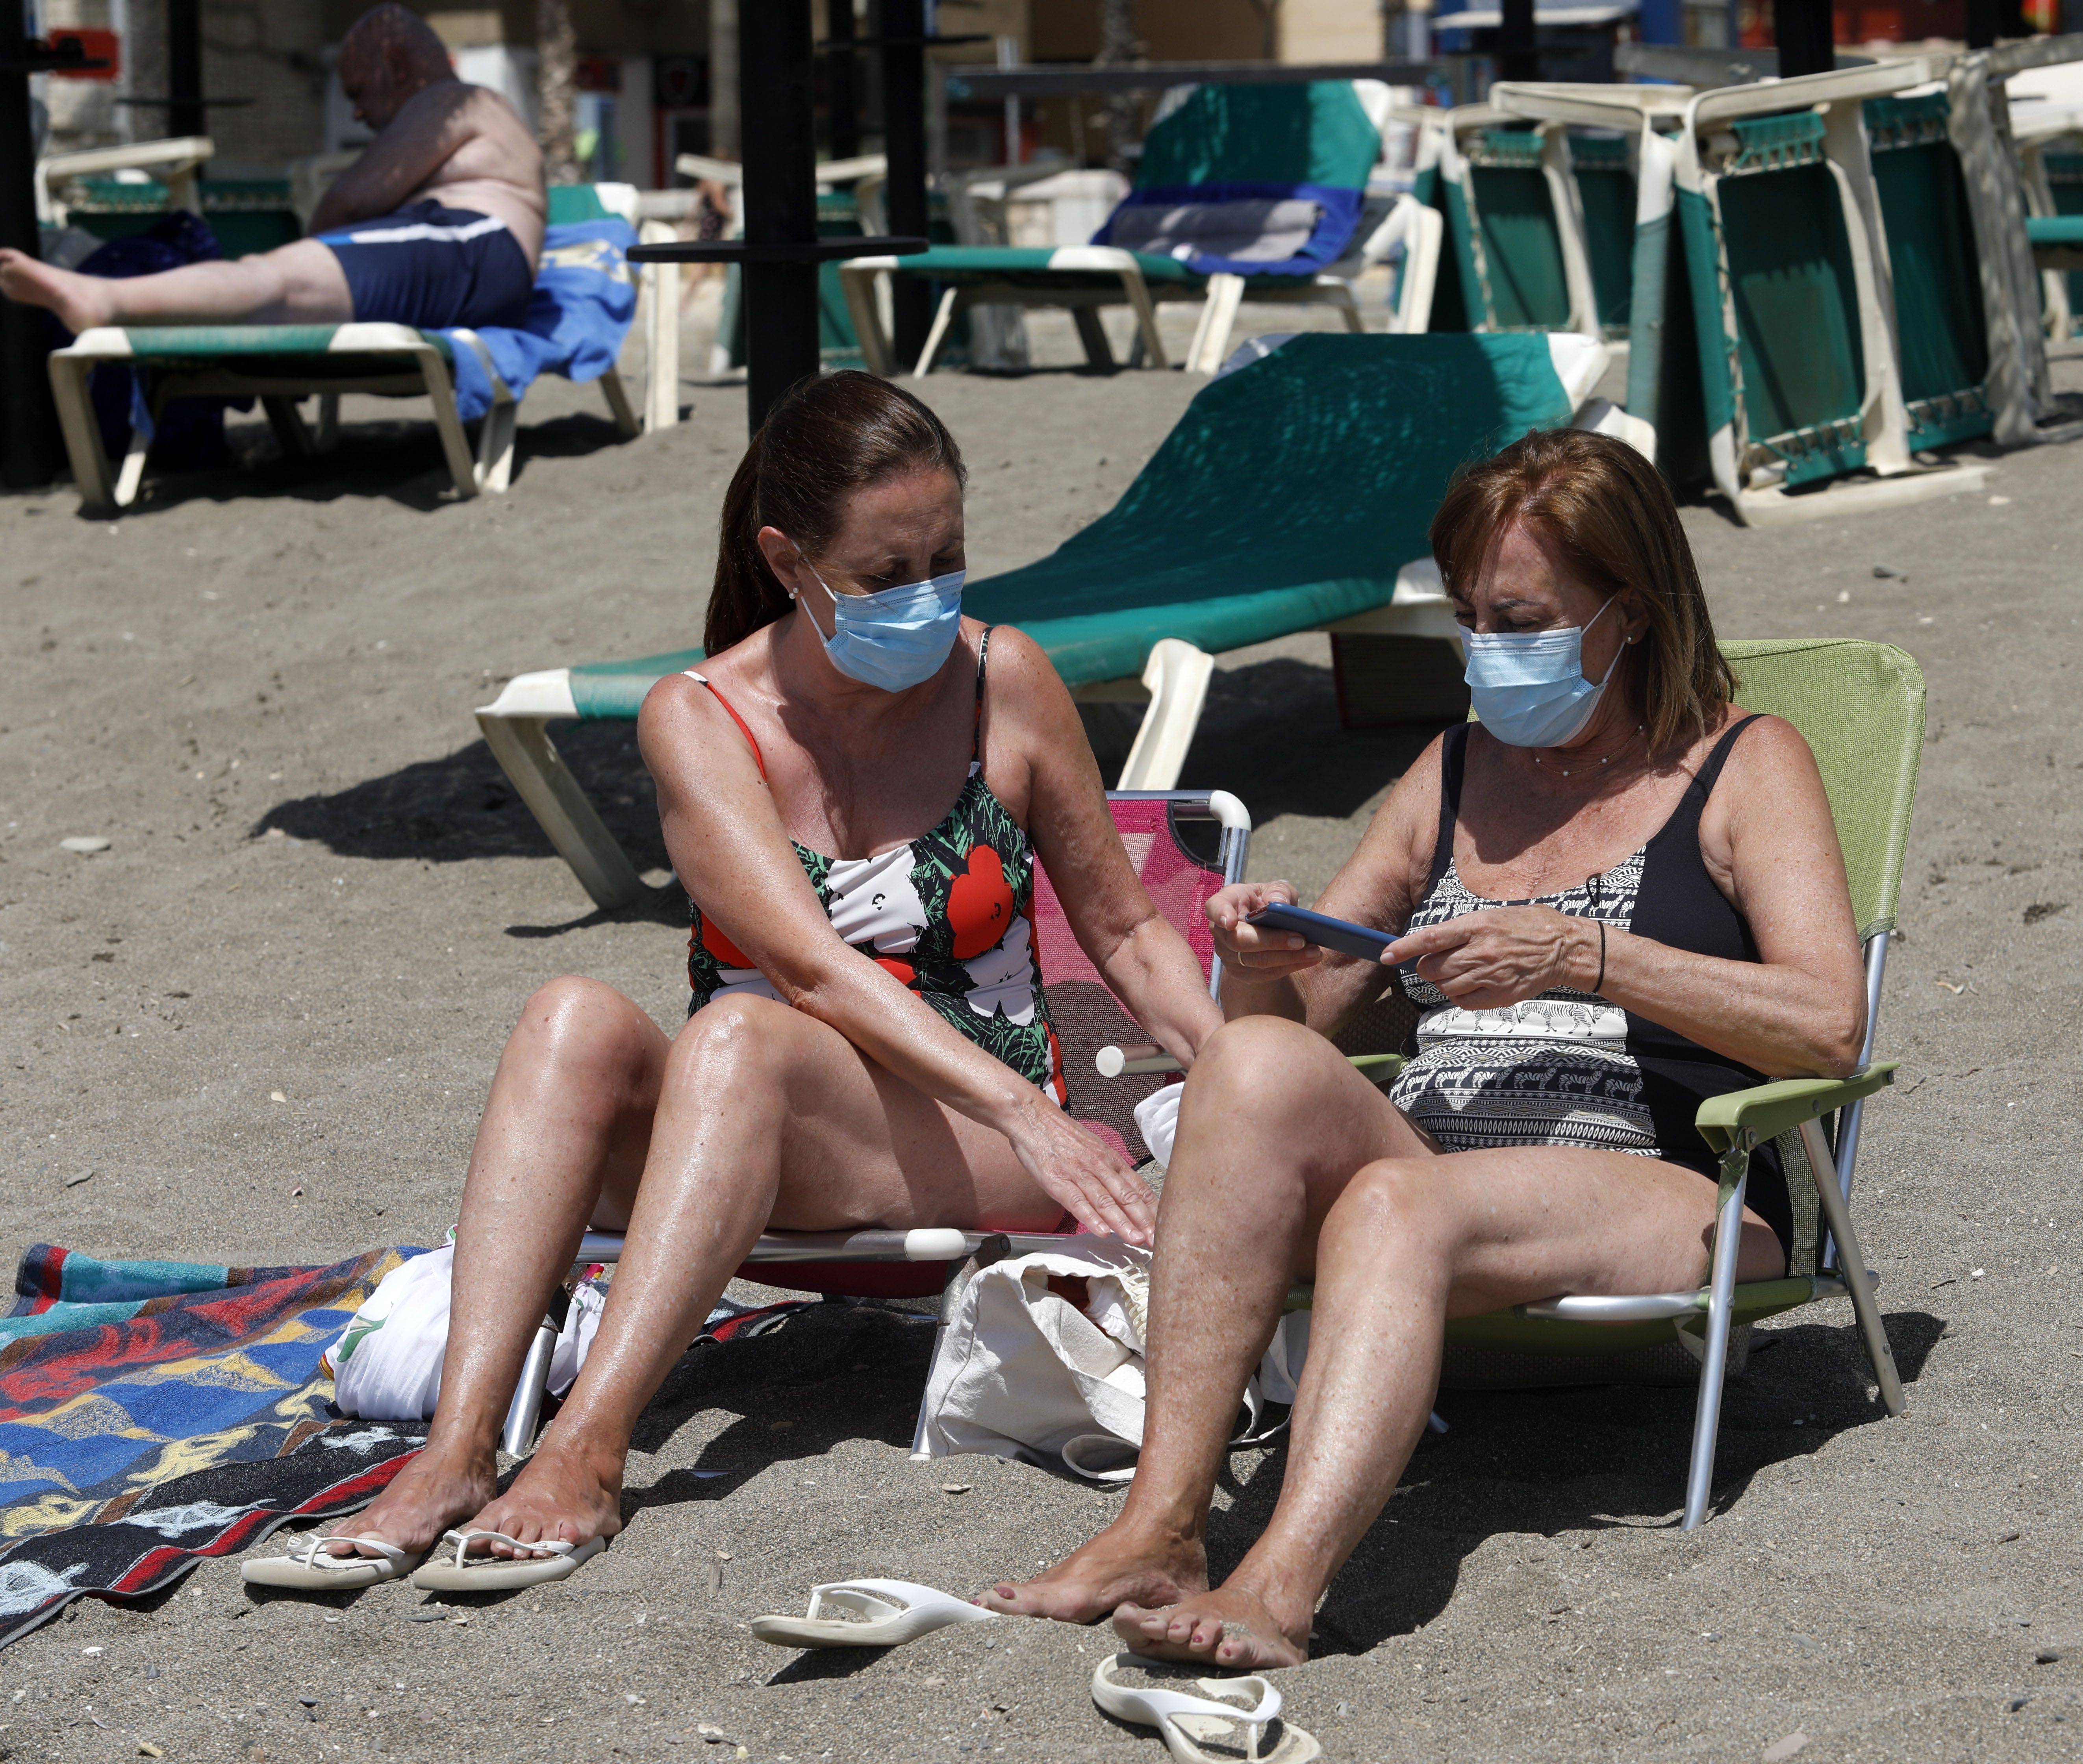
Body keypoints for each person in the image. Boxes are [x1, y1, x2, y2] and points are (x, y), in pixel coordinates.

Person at [246, 372, 1224, 1587]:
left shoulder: (1001, 681)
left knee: (735, 1038)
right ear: (786, 558)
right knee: (574, 1017)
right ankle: (454, 1449)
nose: (926, 594)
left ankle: (587, 1448)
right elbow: (806, 962)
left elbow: (1126, 929)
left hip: (982, 1129)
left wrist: (1227, 1069)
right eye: (883, 573)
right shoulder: (702, 714)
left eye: (947, 556)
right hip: (765, 1123)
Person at [976, 428, 1869, 1666]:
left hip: (1678, 1178)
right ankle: (1160, 1523)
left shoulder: (1740, 762)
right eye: (1468, 618)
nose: (1487, 650)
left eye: (1520, 619)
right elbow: (1287, 1046)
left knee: (1398, 1199)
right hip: (1440, 1161)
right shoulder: (1452, 767)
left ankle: (1280, 1586)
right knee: (1240, 1067)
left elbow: (1827, 1021)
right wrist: (1257, 960)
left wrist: (1584, 954)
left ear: (1632, 608)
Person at [0, 6, 545, 335]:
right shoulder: (475, 112)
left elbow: (351, 202)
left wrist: (311, 252)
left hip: (474, 248)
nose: (356, 112)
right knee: (274, 283)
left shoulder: (453, 100)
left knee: (277, 278)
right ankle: (113, 301)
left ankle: (106, 299)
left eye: (358, 92)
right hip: (475, 262)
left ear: (398, 66)